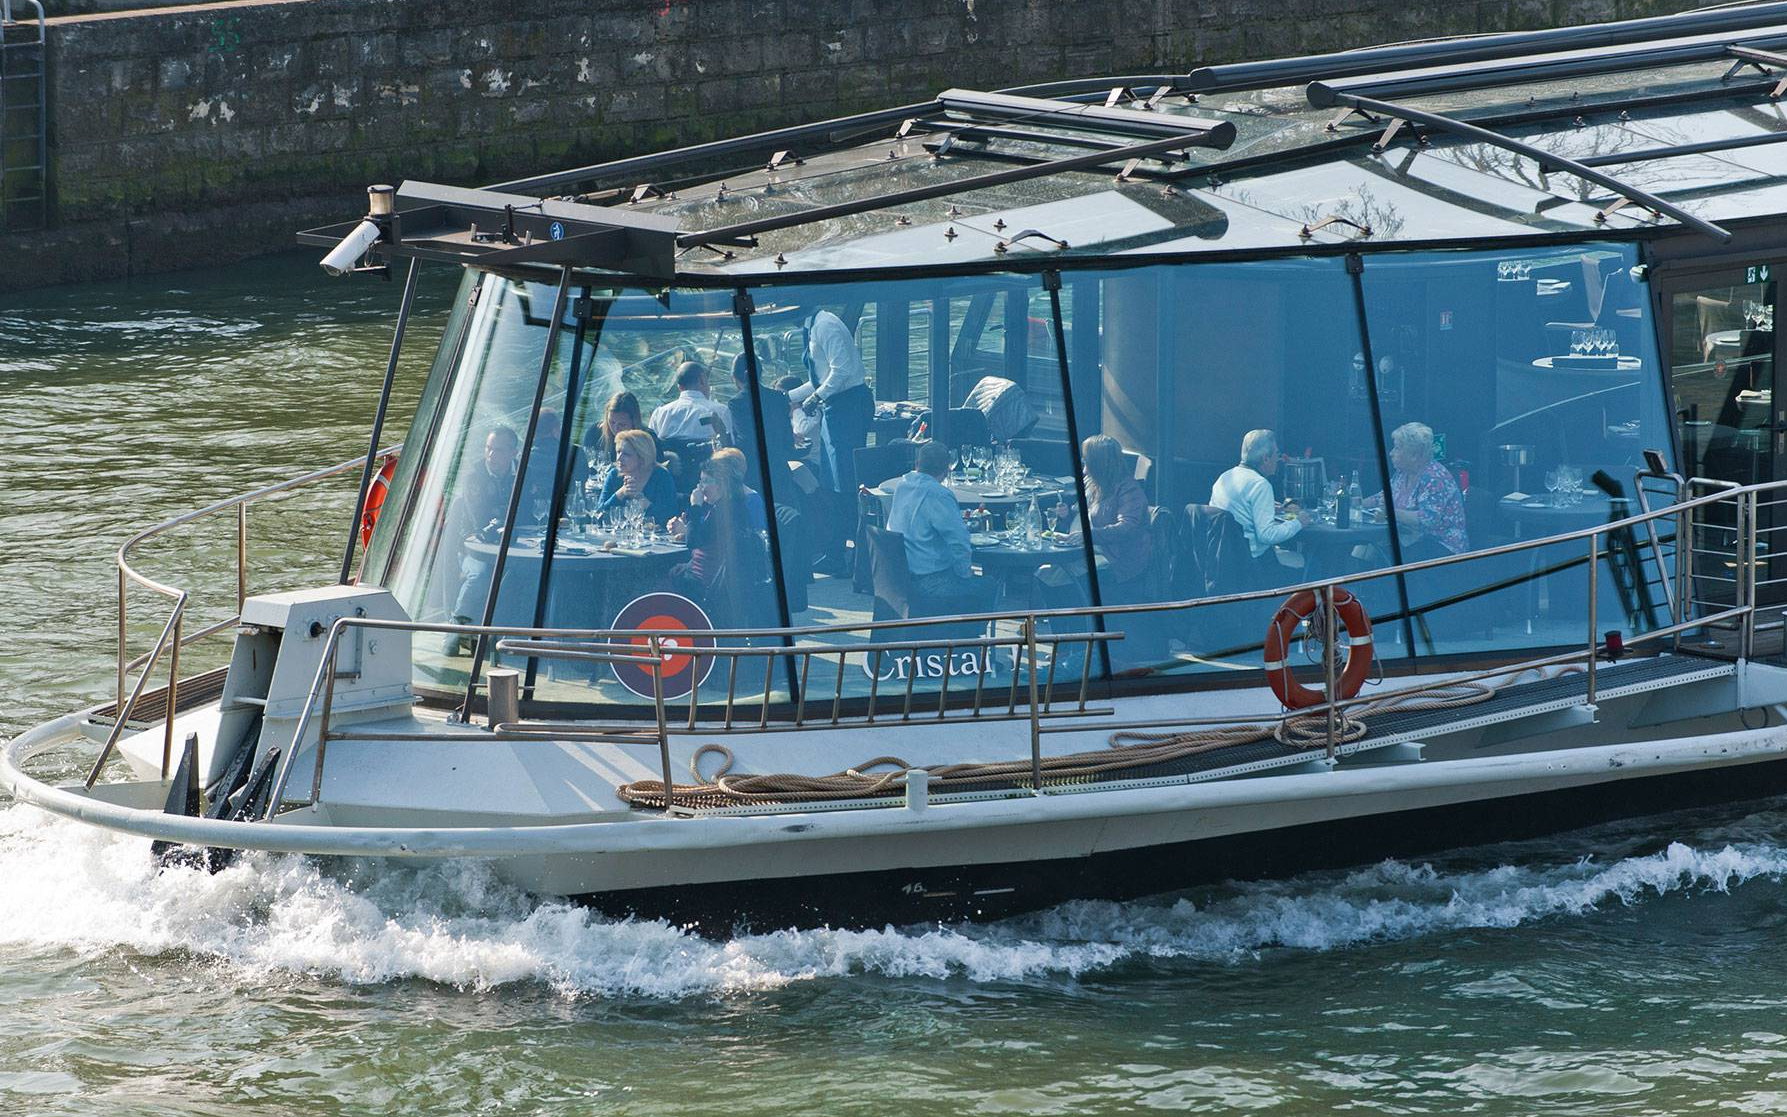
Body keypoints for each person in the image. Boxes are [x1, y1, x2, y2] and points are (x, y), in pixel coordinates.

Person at [887, 439, 990, 607]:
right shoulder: (940, 494)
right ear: (947, 469)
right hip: (930, 582)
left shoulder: (902, 486)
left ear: (917, 463)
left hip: (899, 577)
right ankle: (963, 623)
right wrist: (965, 575)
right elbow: (960, 542)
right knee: (989, 585)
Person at [667, 448, 769, 616]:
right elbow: (707, 539)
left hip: (705, 584)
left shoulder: (725, 512)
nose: (701, 487)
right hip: (703, 574)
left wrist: (695, 506)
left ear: (722, 484)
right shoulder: (727, 506)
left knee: (653, 586)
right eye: (700, 481)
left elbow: (693, 541)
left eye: (706, 482)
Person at [444, 424, 520, 642]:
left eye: (499, 450)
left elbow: (528, 509)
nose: (491, 455)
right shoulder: (474, 476)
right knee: (480, 576)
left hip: (513, 546)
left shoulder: (524, 471)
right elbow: (480, 519)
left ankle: (511, 634)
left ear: (514, 452)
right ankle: (455, 630)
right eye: (488, 448)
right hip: (474, 548)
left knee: (528, 575)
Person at [1051, 434, 1152, 595]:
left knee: (1058, 576)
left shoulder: (1129, 489)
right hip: (1084, 549)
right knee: (1045, 572)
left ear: (1100, 465)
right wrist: (1066, 515)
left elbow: (1127, 527)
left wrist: (1089, 536)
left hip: (1114, 557)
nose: (1084, 470)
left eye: (1088, 463)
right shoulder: (1092, 483)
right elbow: (1083, 514)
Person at [789, 309, 872, 493]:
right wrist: (787, 397)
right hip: (835, 405)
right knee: (829, 473)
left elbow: (842, 370)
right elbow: (820, 380)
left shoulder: (825, 326)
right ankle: (835, 507)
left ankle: (848, 509)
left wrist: (816, 397)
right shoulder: (813, 326)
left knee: (844, 473)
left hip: (848, 405)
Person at [1368, 421, 1468, 561]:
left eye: (1397, 448)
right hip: (1410, 540)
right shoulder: (1402, 473)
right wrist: (1355, 502)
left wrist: (1389, 512)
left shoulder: (1435, 478)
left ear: (1414, 455)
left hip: (1440, 546)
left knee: (1386, 555)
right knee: (1367, 549)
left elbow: (1427, 520)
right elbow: (1380, 498)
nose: (1391, 453)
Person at [1210, 428, 1309, 564]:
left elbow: (1235, 514)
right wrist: (1298, 523)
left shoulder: (1225, 477)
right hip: (1252, 561)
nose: (1279, 459)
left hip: (1223, 558)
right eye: (1277, 454)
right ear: (1266, 459)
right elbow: (1267, 535)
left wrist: (1264, 508)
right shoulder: (1260, 484)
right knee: (1312, 562)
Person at [727, 351, 795, 501]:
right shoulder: (778, 397)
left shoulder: (736, 403)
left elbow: (745, 440)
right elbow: (787, 438)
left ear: (735, 377)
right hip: (780, 468)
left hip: (754, 472)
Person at [593, 428, 676, 518]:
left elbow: (669, 516)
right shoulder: (614, 475)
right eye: (618, 452)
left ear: (642, 457)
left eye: (626, 454)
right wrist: (621, 493)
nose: (619, 458)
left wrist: (642, 500)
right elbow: (599, 515)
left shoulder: (661, 476)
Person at [650, 361, 730, 443]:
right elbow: (732, 445)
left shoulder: (659, 414)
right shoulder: (720, 411)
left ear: (679, 387)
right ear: (702, 379)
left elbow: (649, 445)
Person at [582, 390, 643, 465]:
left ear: (634, 422)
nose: (615, 428)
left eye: (622, 424)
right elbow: (583, 464)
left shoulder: (647, 440)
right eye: (612, 422)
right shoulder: (594, 433)